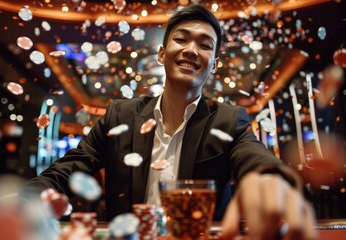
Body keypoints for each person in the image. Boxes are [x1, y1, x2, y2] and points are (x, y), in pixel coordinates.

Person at [22, 5, 317, 240]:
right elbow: (63, 173)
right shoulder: (119, 116)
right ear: (162, 54)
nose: (191, 49)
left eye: (204, 45)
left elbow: (256, 159)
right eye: (181, 39)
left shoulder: (228, 120)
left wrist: (270, 179)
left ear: (213, 65)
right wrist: (20, 201)